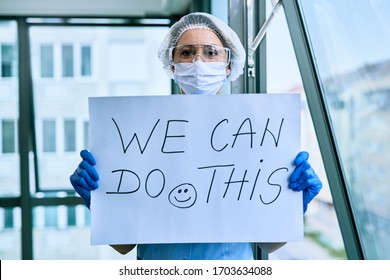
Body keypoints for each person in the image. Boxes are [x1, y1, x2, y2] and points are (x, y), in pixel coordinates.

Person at [70, 12, 322, 260]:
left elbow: (269, 244)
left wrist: (293, 205)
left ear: (228, 65)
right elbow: (124, 245)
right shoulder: (141, 134)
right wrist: (98, 200)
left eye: (211, 52)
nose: (198, 62)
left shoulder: (256, 134)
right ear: (172, 64)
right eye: (187, 52)